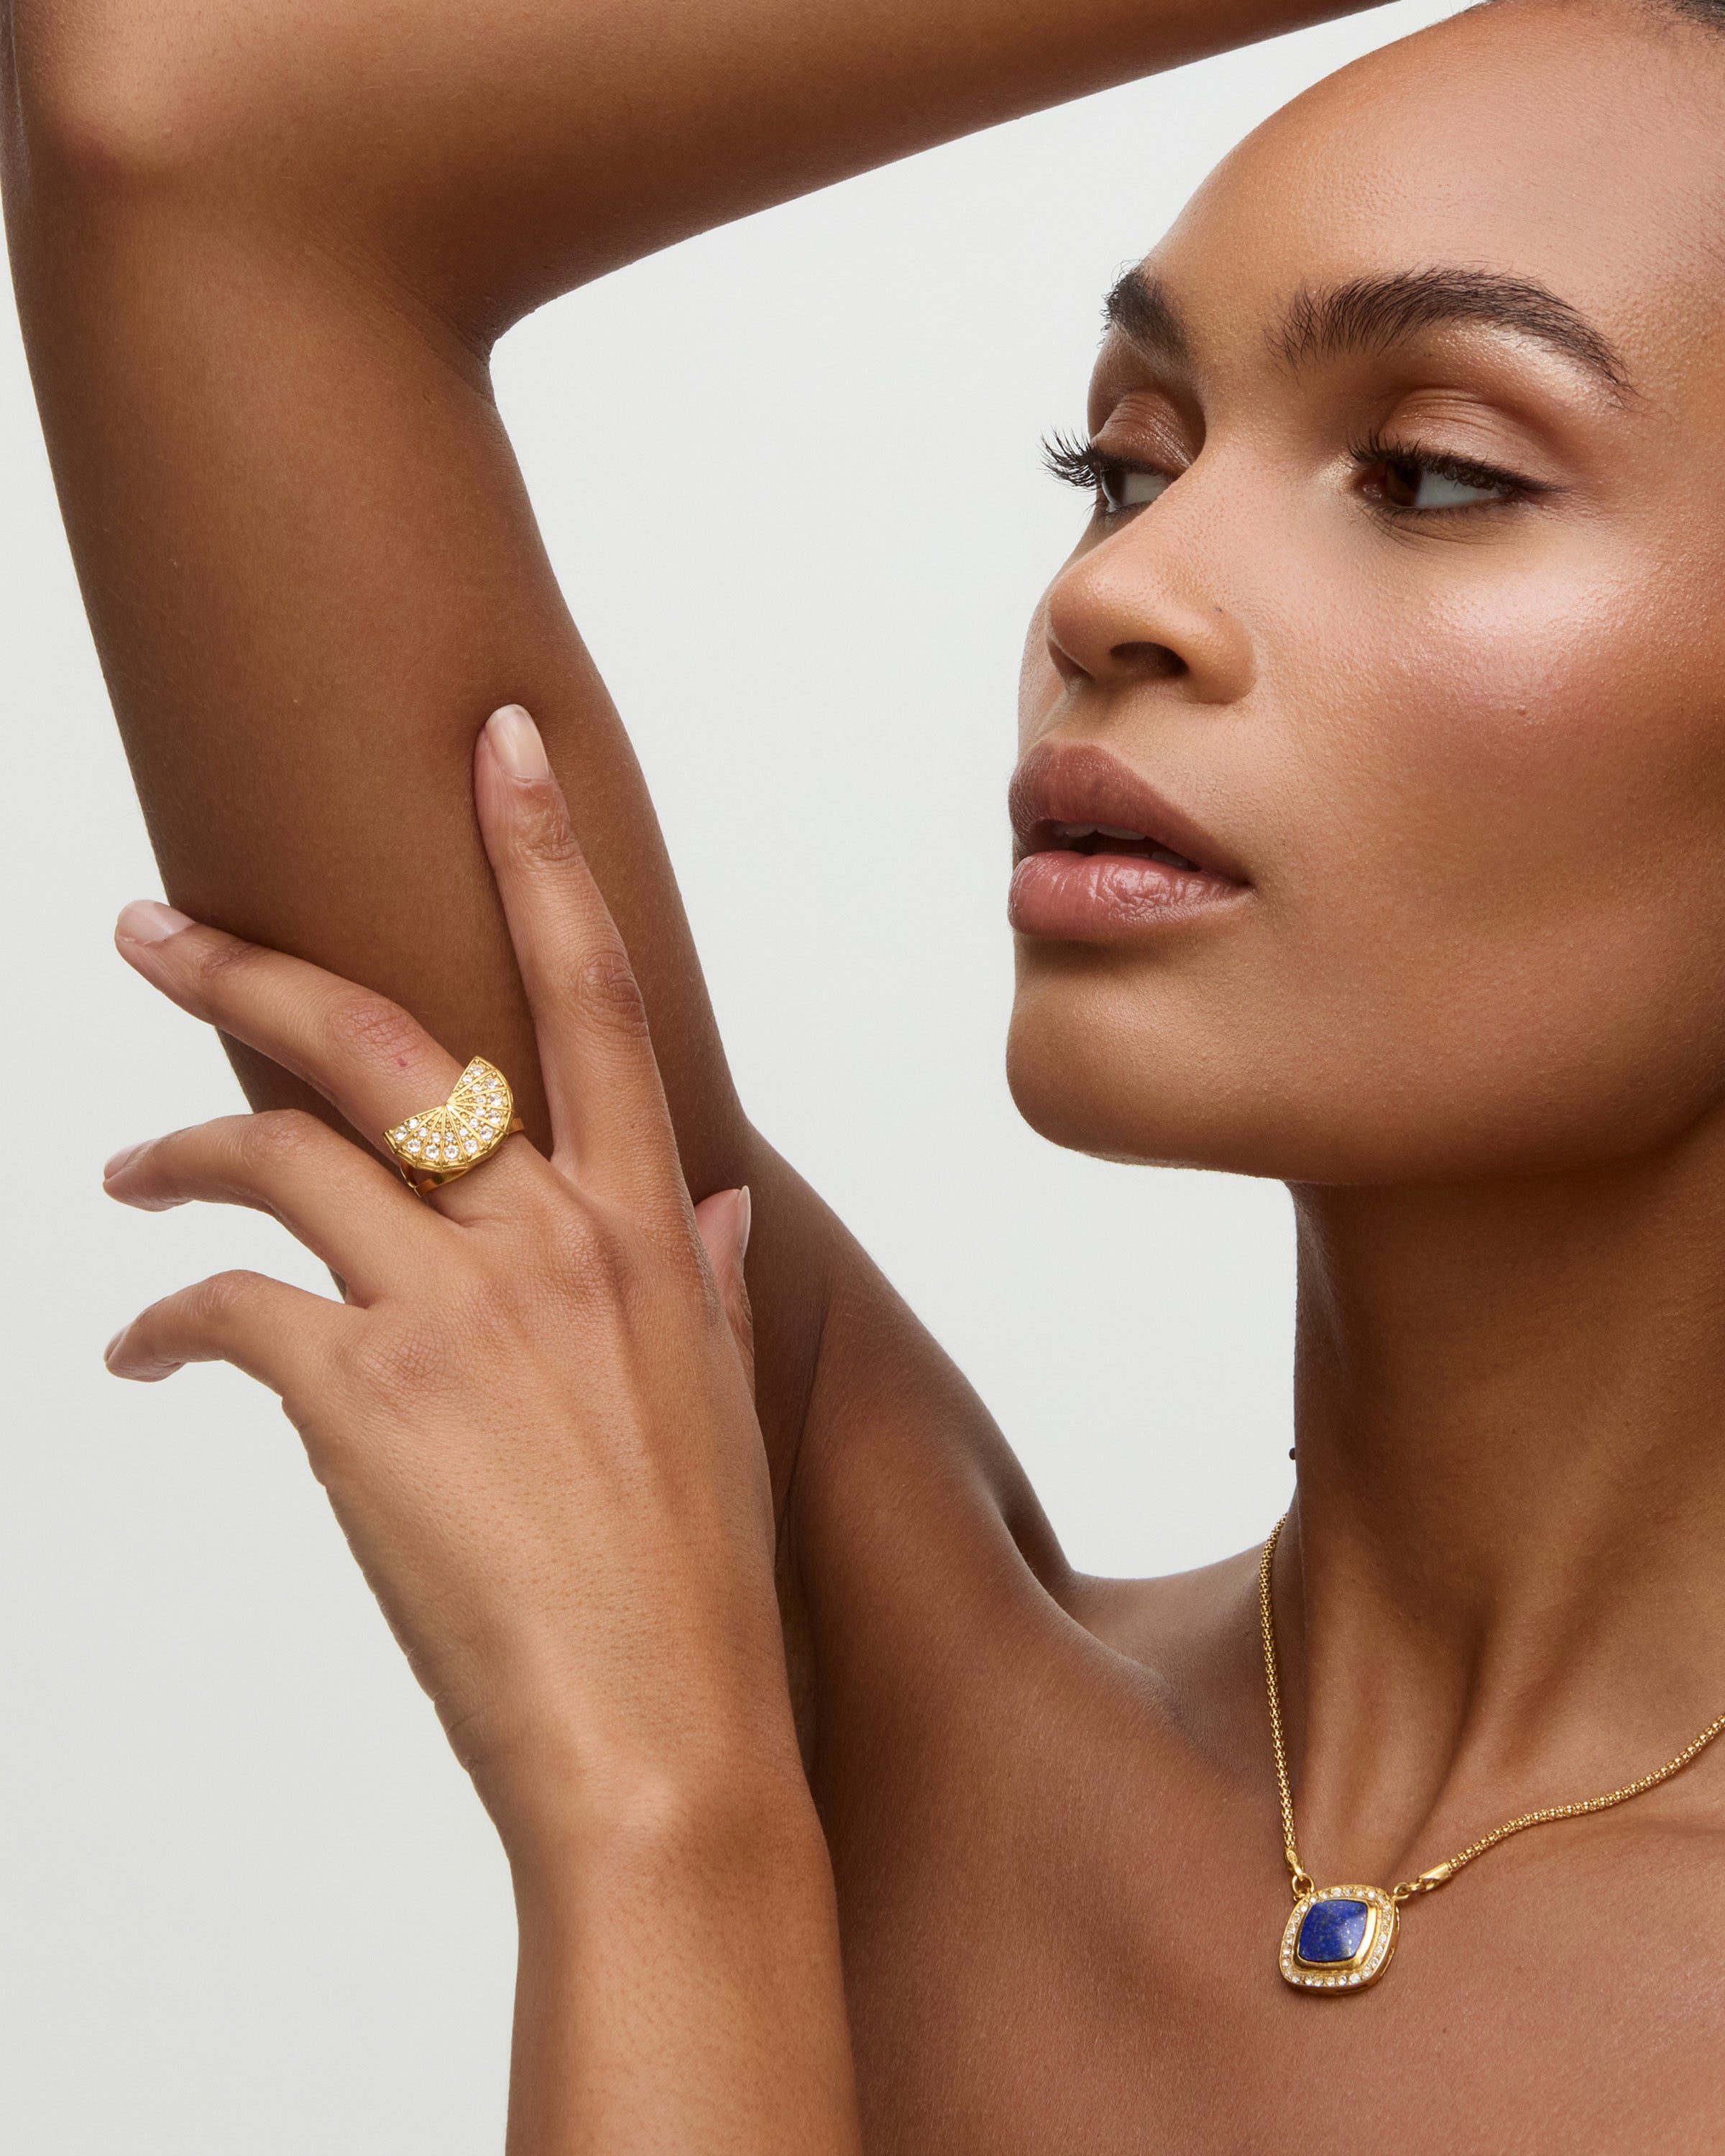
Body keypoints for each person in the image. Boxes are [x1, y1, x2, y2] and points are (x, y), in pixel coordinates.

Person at [8, 0, 1725, 2140]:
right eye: (1124, 461)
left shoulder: (755, 1687)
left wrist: (667, 1828)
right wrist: (679, 1778)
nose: (1120, 589)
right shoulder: (814, 1619)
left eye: (1435, 474)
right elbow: (172, 112)